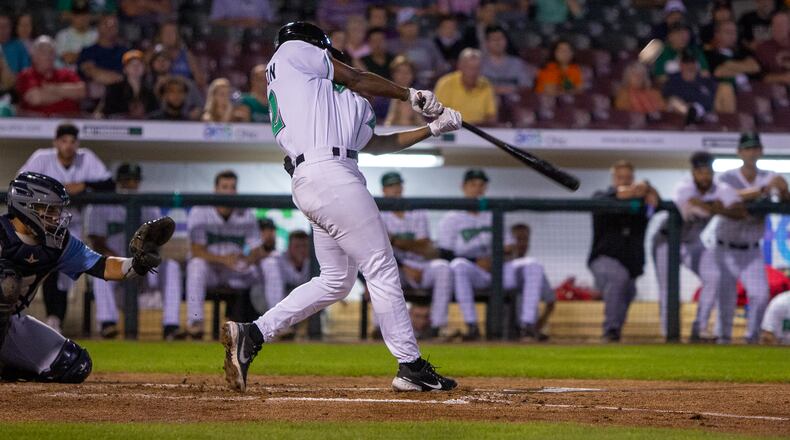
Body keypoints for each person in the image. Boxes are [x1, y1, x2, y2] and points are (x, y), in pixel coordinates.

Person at [221, 22, 461, 393]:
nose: (335, 63)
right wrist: (411, 95)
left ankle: (253, 333)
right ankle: (410, 365)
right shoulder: (290, 52)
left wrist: (432, 129)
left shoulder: (335, 100)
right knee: (380, 266)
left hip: (322, 178)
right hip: (330, 177)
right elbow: (359, 78)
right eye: (331, 57)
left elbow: (377, 144)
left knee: (335, 280)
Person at [0, 172, 169, 383]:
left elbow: (103, 266)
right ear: (27, 208)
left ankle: (7, 366)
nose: (55, 217)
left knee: (74, 364)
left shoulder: (58, 243)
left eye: (57, 210)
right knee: (4, 281)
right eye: (49, 210)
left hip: (9, 325)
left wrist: (136, 263)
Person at [18, 123, 114, 333]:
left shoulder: (85, 158)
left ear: (77, 143)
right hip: (40, 225)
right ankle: (39, 319)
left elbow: (109, 184)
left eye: (72, 141)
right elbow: (19, 184)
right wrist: (53, 190)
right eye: (63, 141)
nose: (68, 146)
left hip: (73, 225)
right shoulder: (42, 158)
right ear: (56, 143)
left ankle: (55, 319)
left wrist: (85, 186)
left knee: (63, 273)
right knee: (39, 268)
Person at [704, 132, 789, 344]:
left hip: (752, 249)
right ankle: (723, 339)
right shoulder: (726, 176)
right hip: (725, 248)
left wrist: (783, 187)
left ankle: (751, 339)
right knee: (726, 298)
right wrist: (760, 190)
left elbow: (785, 198)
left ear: (761, 151)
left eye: (755, 148)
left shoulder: (769, 175)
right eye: (747, 148)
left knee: (760, 295)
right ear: (739, 152)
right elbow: (724, 196)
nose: (751, 152)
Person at [652, 151, 744, 339]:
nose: (705, 176)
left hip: (693, 241)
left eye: (708, 172)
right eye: (700, 172)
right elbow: (691, 212)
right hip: (666, 241)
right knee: (667, 288)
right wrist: (718, 208)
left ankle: (699, 328)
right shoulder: (683, 187)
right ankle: (668, 332)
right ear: (693, 172)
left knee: (714, 276)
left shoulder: (720, 188)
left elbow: (740, 211)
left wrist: (714, 207)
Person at [86, 163, 183, 340]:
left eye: (134, 180)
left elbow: (157, 242)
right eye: (126, 180)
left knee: (172, 267)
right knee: (98, 269)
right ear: (118, 182)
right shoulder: (102, 206)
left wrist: (145, 255)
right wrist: (120, 259)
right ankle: (108, 324)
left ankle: (171, 325)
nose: (131, 184)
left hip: (144, 266)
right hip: (116, 266)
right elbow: (97, 242)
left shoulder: (149, 207)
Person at [184, 170, 265, 340]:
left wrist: (248, 259)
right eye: (225, 187)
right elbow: (197, 250)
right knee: (196, 265)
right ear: (215, 189)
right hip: (210, 271)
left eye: (233, 187)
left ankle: (266, 325)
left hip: (235, 270)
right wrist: (223, 259)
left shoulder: (247, 213)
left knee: (265, 268)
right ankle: (195, 323)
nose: (229, 191)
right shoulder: (200, 211)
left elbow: (257, 250)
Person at [588, 160, 659, 342]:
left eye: (628, 178)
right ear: (614, 178)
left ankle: (614, 332)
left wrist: (648, 188)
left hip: (631, 263)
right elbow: (602, 200)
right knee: (618, 277)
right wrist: (632, 192)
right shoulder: (603, 196)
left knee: (628, 291)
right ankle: (610, 330)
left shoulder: (641, 202)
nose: (625, 181)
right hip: (604, 259)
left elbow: (656, 204)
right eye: (621, 177)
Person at [377, 171, 453, 340]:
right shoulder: (378, 212)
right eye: (391, 186)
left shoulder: (416, 210)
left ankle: (436, 326)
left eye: (397, 185)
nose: (395, 189)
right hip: (396, 266)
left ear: (402, 187)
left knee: (443, 268)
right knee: (381, 274)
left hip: (420, 265)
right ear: (384, 190)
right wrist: (405, 261)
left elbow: (424, 246)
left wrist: (395, 241)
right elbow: (380, 248)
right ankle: (380, 329)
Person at [507, 223, 556, 341]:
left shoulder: (535, 269)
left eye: (525, 239)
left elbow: (551, 302)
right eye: (518, 239)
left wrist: (538, 325)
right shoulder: (502, 268)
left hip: (528, 331)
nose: (522, 244)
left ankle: (527, 327)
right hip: (505, 329)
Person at [16, 36, 86, 117]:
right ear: (33, 56)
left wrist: (53, 88)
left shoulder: (67, 73)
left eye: (51, 52)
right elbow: (36, 98)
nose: (48, 56)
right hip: (37, 125)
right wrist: (68, 94)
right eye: (43, 52)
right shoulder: (26, 75)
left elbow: (82, 92)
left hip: (68, 124)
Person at [704, 19, 761, 113]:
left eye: (734, 32)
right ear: (717, 34)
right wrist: (744, 67)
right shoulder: (710, 54)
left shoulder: (742, 52)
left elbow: (755, 67)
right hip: (726, 94)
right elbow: (719, 72)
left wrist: (730, 65)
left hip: (749, 92)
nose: (732, 36)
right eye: (728, 32)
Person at [259, 230, 311, 326]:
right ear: (289, 247)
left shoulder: (313, 263)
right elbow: (273, 293)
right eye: (297, 246)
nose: (301, 250)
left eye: (304, 246)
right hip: (266, 303)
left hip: (293, 308)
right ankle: (273, 325)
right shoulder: (276, 260)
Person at [434, 48, 497, 125]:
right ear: (460, 66)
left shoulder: (486, 84)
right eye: (469, 68)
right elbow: (437, 114)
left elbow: (491, 116)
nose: (473, 73)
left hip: (478, 130)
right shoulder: (446, 83)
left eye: (476, 68)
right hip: (450, 129)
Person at [389, 11, 449, 89]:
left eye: (413, 24)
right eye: (407, 25)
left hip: (427, 87)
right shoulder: (390, 46)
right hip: (399, 89)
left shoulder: (428, 44)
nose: (411, 28)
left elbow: (442, 66)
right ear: (399, 27)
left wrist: (434, 75)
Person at [97, 49, 158, 118]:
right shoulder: (114, 89)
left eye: (139, 64)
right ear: (125, 69)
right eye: (131, 64)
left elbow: (154, 112)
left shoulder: (150, 91)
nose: (136, 67)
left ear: (145, 69)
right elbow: (107, 111)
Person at [662, 51, 718, 124]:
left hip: (702, 110)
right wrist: (686, 105)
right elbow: (667, 96)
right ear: (681, 65)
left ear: (696, 64)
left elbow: (711, 100)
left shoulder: (705, 81)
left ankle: (693, 114)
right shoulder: (673, 80)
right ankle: (690, 114)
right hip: (680, 111)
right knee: (674, 102)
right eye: (686, 63)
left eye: (692, 62)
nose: (690, 65)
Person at [481, 25, 535, 98]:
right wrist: (495, 90)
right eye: (494, 39)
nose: (498, 42)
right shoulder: (479, 64)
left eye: (500, 38)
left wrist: (512, 90)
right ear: (486, 43)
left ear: (506, 41)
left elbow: (526, 86)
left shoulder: (517, 63)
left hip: (514, 102)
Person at [76, 14, 128, 88]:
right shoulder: (87, 52)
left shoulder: (125, 52)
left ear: (118, 29)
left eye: (114, 25)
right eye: (105, 24)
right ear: (98, 27)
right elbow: (97, 75)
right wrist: (122, 78)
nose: (109, 28)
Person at [154, 22, 206, 91]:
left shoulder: (187, 55)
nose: (169, 36)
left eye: (172, 33)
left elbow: (201, 81)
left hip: (185, 93)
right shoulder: (154, 54)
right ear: (161, 35)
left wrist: (179, 80)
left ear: (177, 36)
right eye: (166, 32)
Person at [55, 0, 97, 67]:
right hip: (70, 73)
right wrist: (90, 55)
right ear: (71, 16)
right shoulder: (63, 35)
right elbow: (68, 59)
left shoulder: (97, 35)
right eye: (77, 15)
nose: (82, 18)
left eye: (84, 14)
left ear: (89, 16)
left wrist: (76, 55)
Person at [384, 56, 424, 126]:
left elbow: (423, 126)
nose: (404, 75)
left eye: (407, 72)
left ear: (413, 75)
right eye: (400, 72)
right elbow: (382, 127)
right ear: (393, 74)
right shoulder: (383, 97)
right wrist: (394, 105)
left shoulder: (421, 97)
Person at [755, 11, 790, 87]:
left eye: (783, 24)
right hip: (779, 91)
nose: (780, 27)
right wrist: (783, 78)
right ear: (771, 27)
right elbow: (760, 77)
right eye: (776, 24)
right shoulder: (763, 48)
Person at [209, 0, 275, 28]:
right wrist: (239, 22)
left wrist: (259, 23)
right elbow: (215, 22)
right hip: (229, 40)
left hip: (257, 39)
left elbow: (270, 23)